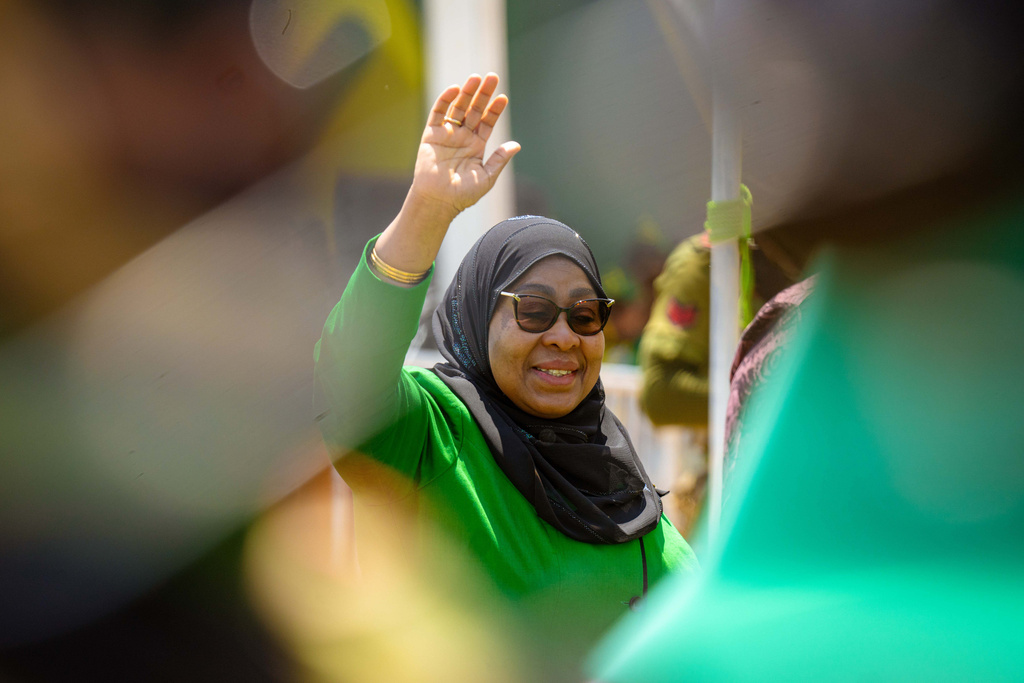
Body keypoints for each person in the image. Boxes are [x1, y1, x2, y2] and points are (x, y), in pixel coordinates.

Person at [588, 2, 1024, 681]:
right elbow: (665, 390)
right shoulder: (708, 261)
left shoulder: (842, 251)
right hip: (756, 478)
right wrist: (773, 396)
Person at [313, 73, 698, 678]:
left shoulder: (612, 472)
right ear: (476, 316)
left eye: (585, 313)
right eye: (533, 309)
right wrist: (429, 209)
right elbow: (347, 379)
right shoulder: (433, 434)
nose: (564, 335)